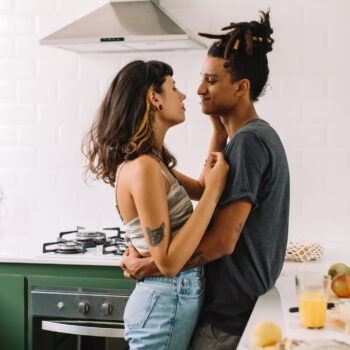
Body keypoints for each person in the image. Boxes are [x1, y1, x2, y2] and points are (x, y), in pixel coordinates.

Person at [121, 10, 290, 350]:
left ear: (241, 87)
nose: (198, 90)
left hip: (227, 317)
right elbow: (205, 191)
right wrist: (219, 134)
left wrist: (152, 266)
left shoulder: (250, 142)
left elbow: (223, 240)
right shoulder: (250, 138)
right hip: (231, 310)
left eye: (210, 81)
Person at [82, 60, 229, 349]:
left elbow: (199, 188)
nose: (183, 96)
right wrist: (214, 193)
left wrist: (219, 134)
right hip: (164, 300)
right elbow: (168, 262)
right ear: (154, 98)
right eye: (174, 88)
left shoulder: (153, 162)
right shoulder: (144, 167)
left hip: (166, 300)